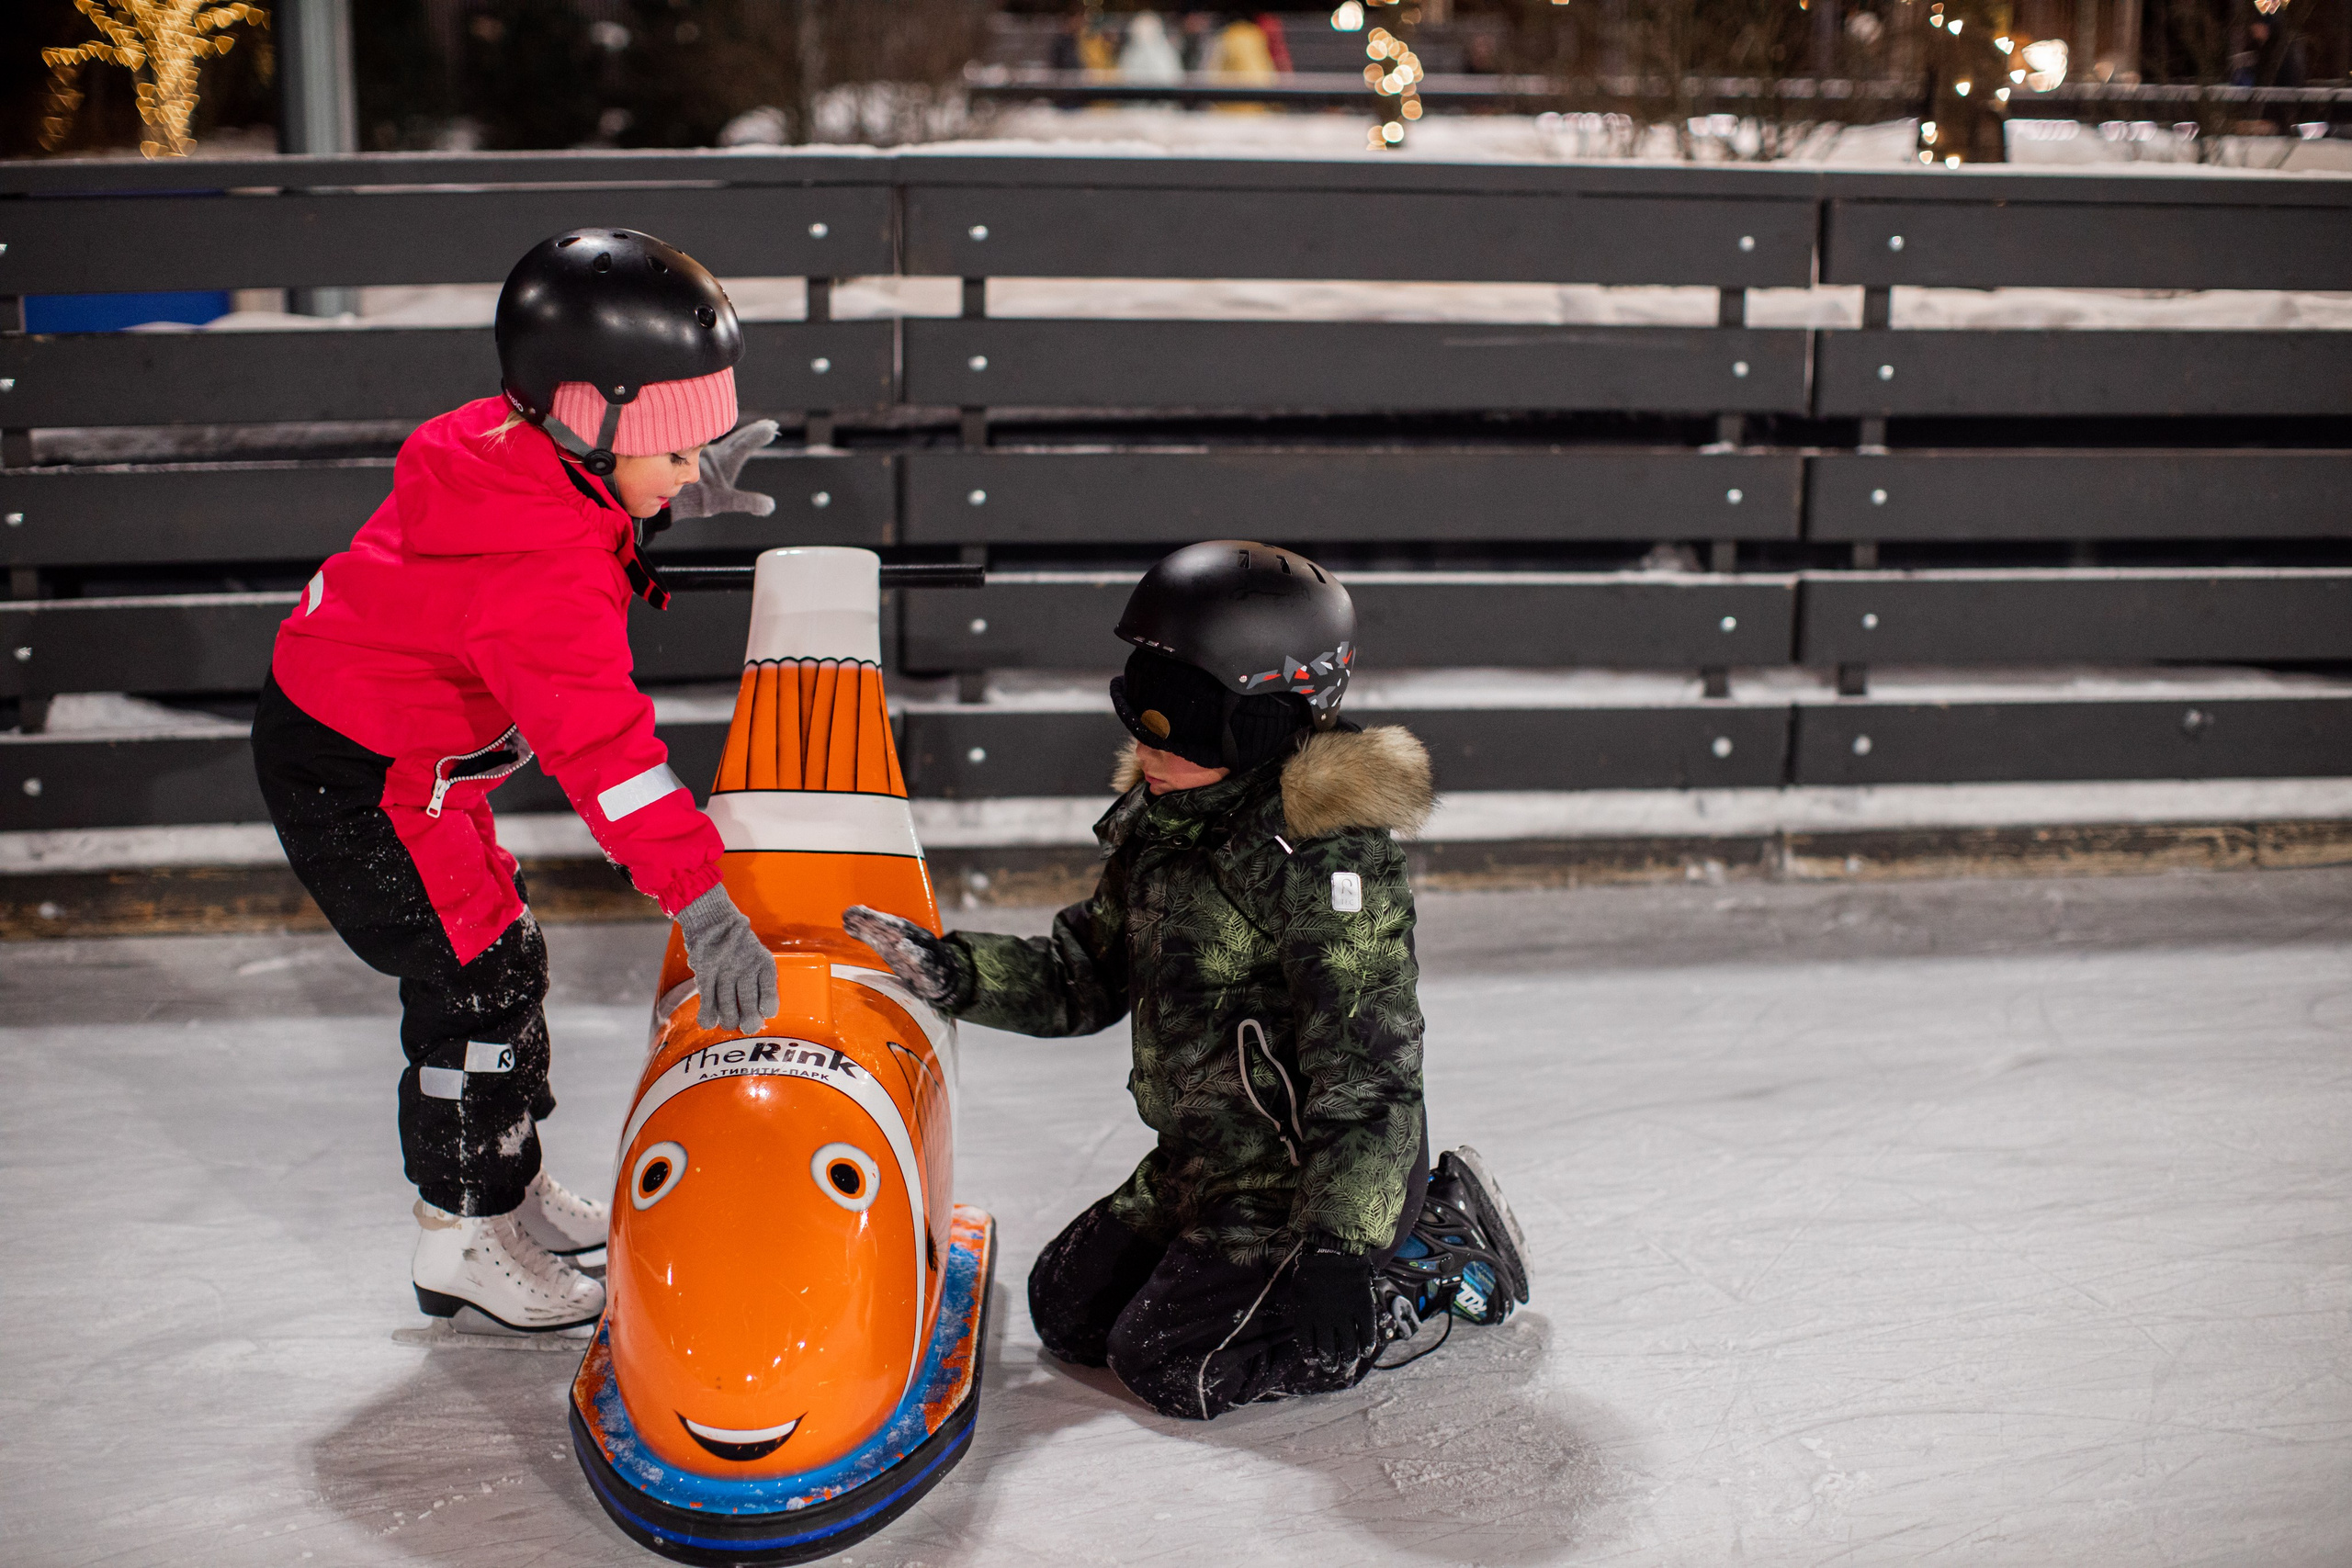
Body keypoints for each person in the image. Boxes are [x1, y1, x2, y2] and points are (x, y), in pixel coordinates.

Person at [845, 541, 1531, 1420]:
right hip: (1203, 1165)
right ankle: (1370, 1243)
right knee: (1067, 1310)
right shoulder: (1168, 823)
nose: (1146, 743)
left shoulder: (1324, 863)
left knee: (1175, 1366)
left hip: (1303, 1185)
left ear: (1265, 722)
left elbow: (1370, 1072)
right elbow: (1083, 974)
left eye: (1180, 723)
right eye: (1141, 711)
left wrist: (1340, 1247)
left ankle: (1426, 1260)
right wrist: (956, 972)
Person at [252, 229, 784, 1335]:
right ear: (591, 421)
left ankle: (509, 1172)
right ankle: (463, 1228)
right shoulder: (536, 577)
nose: (694, 466)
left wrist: (666, 496)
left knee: (505, 951)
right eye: (679, 448)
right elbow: (612, 761)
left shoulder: (512, 448)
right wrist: (702, 899)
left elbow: (577, 516)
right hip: (363, 779)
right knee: (476, 988)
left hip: (402, 757)